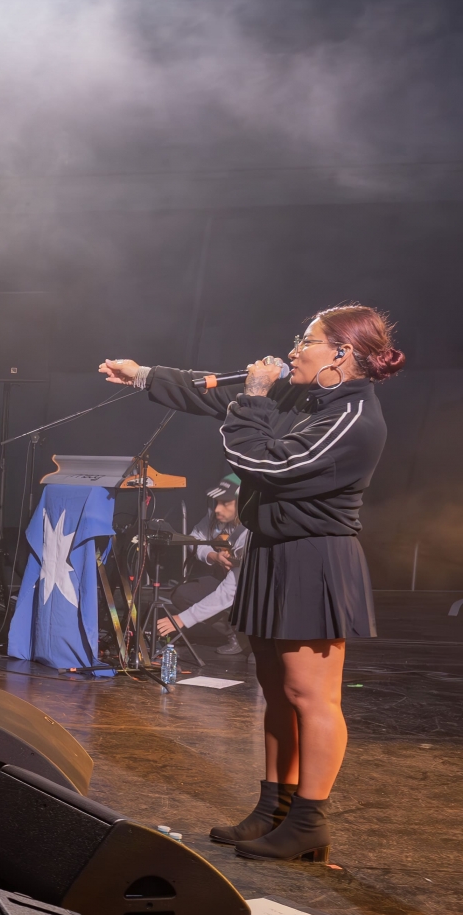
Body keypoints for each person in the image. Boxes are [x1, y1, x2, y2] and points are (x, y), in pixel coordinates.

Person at [99, 305, 397, 862]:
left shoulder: (354, 418)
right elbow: (216, 391)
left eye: (306, 341)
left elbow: (264, 464)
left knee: (312, 696)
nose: (293, 350)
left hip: (313, 558)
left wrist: (257, 399)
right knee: (277, 691)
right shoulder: (304, 397)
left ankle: (309, 821)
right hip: (271, 552)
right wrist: (143, 375)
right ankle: (273, 808)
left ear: (342, 353)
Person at [154, 475, 250, 657]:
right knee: (184, 594)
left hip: (253, 590)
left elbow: (229, 591)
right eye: (217, 502)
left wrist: (182, 619)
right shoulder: (216, 517)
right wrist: (213, 556)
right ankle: (236, 636)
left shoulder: (250, 533)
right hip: (228, 579)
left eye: (225, 503)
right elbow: (194, 539)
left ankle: (259, 642)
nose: (217, 509)